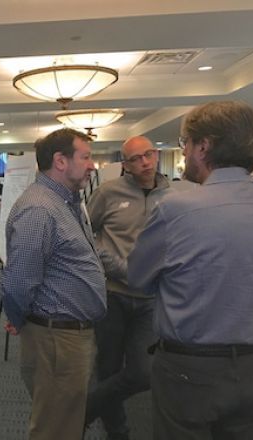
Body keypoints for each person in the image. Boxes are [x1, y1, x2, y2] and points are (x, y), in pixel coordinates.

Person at [128, 101, 253, 440]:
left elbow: (138, 279)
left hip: (190, 370)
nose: (185, 154)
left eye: (185, 144)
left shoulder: (175, 208)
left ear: (204, 145)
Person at [0, 128, 106, 440]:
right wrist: (19, 320)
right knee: (55, 428)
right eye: (85, 157)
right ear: (60, 161)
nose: (92, 165)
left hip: (66, 335)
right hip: (56, 339)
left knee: (65, 420)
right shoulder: (40, 208)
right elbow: (18, 283)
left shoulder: (65, 201)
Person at [85, 136, 172, 439]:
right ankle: (117, 431)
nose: (145, 162)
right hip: (112, 294)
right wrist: (112, 263)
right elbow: (87, 234)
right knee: (108, 366)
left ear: (156, 155)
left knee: (143, 373)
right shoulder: (108, 193)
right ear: (125, 165)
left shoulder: (172, 195)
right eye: (136, 158)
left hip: (150, 298)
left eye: (148, 155)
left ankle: (84, 409)